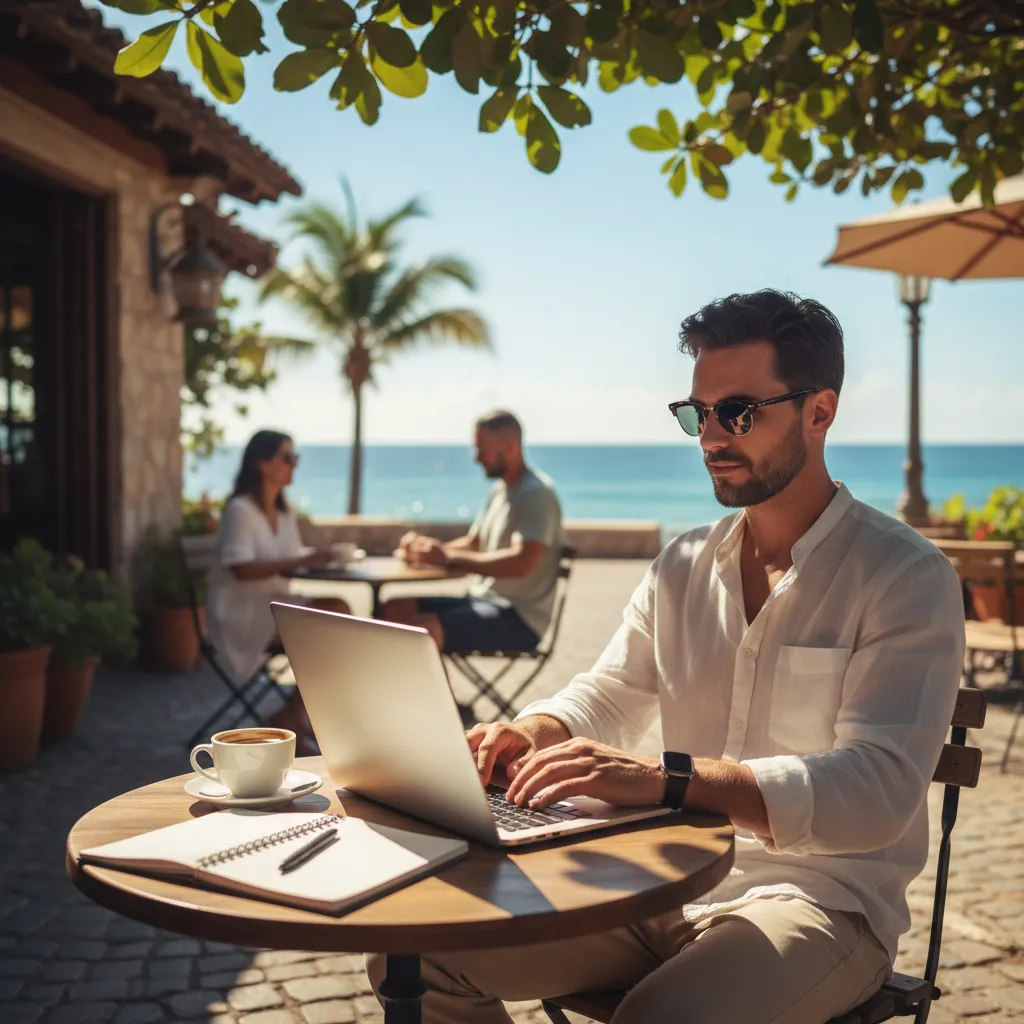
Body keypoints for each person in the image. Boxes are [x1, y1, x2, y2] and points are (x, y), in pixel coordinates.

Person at [365, 291, 966, 1024]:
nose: (710, 436)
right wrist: (534, 729)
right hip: (661, 883)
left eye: (738, 411)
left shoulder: (903, 575)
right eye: (697, 413)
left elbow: (877, 789)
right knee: (416, 954)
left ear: (820, 411)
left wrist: (665, 780)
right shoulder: (681, 566)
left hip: (821, 903)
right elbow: (612, 690)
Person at [206, 430, 350, 749]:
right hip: (241, 612)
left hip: (275, 604)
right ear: (263, 463)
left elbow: (292, 559)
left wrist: (323, 558)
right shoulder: (239, 510)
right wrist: (308, 558)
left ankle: (293, 715)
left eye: (294, 458)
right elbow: (240, 569)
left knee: (340, 612)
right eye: (287, 457)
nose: (293, 465)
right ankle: (293, 717)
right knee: (333, 621)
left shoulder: (284, 513)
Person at [381, 410, 564, 658]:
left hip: (519, 618)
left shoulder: (536, 494)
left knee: (422, 630)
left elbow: (522, 563)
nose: (477, 458)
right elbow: (475, 543)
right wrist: (428, 551)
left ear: (509, 447)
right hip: (483, 600)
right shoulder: (501, 491)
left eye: (482, 449)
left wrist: (447, 559)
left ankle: (432, 698)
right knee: (393, 610)